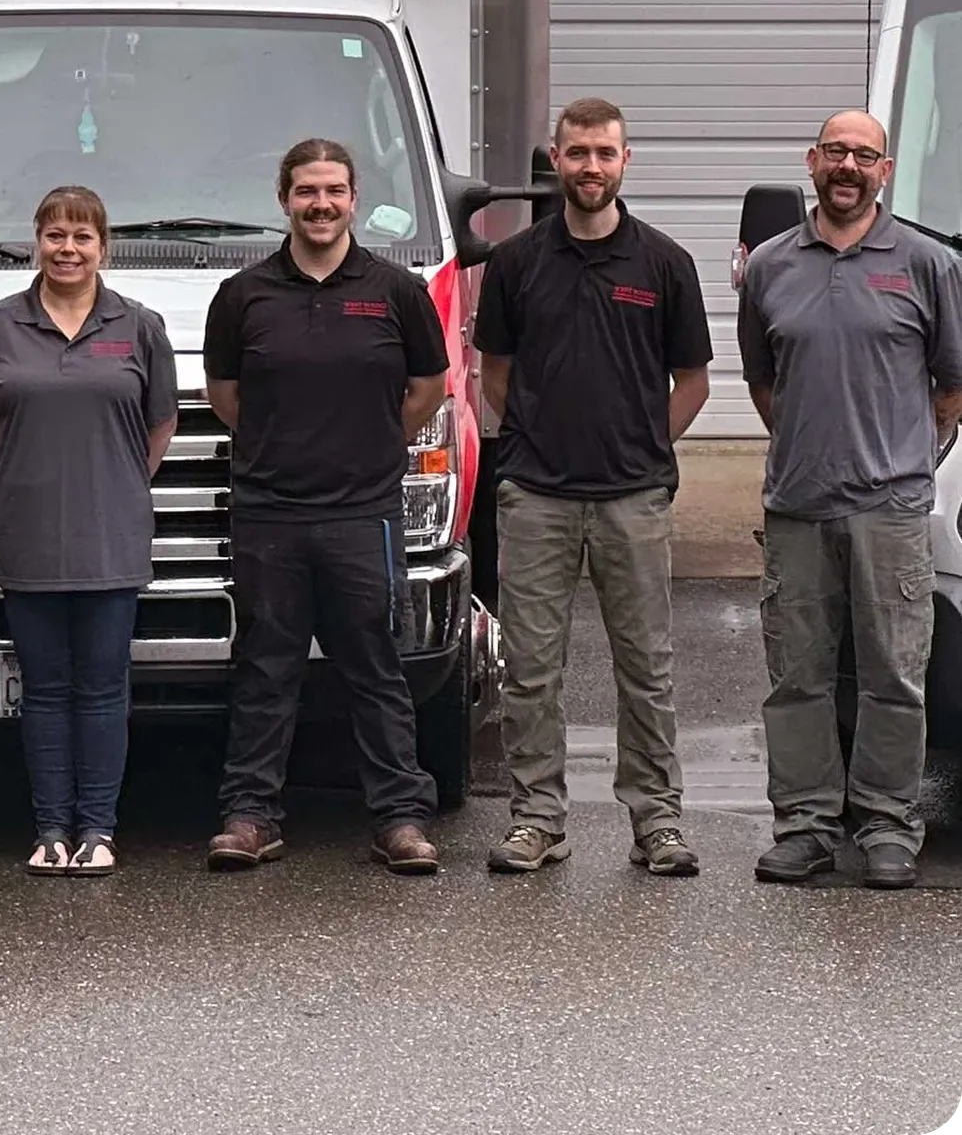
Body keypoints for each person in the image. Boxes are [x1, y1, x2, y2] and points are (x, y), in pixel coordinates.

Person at [473, 97, 713, 877]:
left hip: (633, 497)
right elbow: (495, 375)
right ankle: (537, 818)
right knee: (532, 670)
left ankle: (658, 823)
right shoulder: (516, 265)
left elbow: (693, 383)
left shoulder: (664, 264)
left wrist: (640, 447)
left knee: (646, 666)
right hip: (537, 495)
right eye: (577, 153)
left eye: (605, 154)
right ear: (556, 158)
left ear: (624, 161)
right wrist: (538, 442)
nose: (591, 168)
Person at [202, 138, 447, 875]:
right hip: (270, 512)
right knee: (265, 666)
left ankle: (399, 818)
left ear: (354, 200)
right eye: (307, 191)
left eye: (334, 191)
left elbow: (427, 386)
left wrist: (374, 445)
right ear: (284, 200)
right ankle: (250, 816)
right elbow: (226, 398)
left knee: (374, 665)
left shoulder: (395, 290)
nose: (321, 204)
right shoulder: (244, 296)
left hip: (361, 512)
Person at [738, 109, 962, 890]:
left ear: (884, 171)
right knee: (796, 676)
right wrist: (810, 446)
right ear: (811, 160)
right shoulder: (769, 265)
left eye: (864, 155)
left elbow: (951, 385)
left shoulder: (928, 263)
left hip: (891, 510)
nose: (848, 166)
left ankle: (888, 824)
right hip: (798, 507)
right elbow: (765, 381)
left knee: (894, 675)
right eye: (836, 151)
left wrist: (904, 462)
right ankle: (804, 824)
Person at [0, 187, 177, 876]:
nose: (68, 249)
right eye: (56, 235)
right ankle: (51, 828)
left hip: (111, 532)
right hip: (28, 531)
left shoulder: (139, 326)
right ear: (37, 241)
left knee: (104, 686)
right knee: (46, 686)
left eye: (82, 238)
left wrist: (109, 479)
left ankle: (99, 830)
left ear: (103, 248)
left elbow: (158, 426)